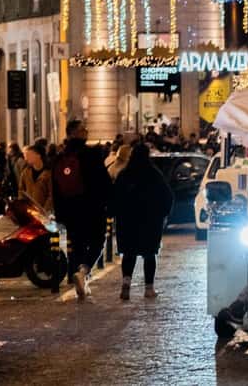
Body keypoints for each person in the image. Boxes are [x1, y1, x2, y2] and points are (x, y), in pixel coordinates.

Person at [53, 119, 112, 302]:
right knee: (97, 241)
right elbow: (103, 182)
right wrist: (109, 203)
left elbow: (55, 188)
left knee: (76, 245)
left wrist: (59, 212)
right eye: (82, 129)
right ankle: (84, 271)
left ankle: (80, 280)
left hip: (69, 210)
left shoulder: (59, 157)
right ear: (74, 133)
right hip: (92, 208)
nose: (86, 131)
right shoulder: (92, 154)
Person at [112, 144, 174, 300]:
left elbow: (114, 197)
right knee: (149, 254)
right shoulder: (154, 174)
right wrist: (164, 214)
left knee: (129, 253)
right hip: (150, 221)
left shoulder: (124, 175)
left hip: (127, 221)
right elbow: (168, 195)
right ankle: (149, 288)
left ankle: (126, 284)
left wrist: (116, 214)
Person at [19, 142, 54, 212]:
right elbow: (21, 190)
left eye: (29, 155)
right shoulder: (26, 172)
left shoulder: (48, 173)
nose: (26, 158)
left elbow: (51, 194)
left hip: (44, 212)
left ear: (38, 155)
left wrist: (44, 210)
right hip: (30, 211)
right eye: (25, 156)